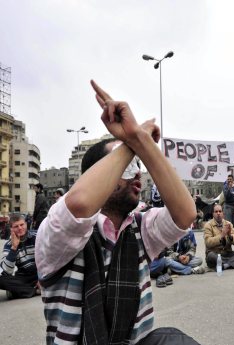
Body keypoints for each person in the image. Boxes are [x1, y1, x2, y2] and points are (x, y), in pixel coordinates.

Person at [35, 81, 199, 345]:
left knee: (172, 340)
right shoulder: (55, 233)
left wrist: (140, 140)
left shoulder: (142, 228)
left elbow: (185, 214)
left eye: (137, 162)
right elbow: (79, 205)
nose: (136, 171)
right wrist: (132, 140)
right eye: (126, 162)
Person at [0, 214, 39, 299]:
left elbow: (50, 258)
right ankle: (35, 291)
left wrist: (42, 278)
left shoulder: (37, 236)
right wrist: (14, 248)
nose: (20, 228)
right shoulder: (8, 245)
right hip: (24, 277)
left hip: (41, 273)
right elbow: (6, 271)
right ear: (11, 229)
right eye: (16, 226)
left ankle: (19, 291)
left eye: (22, 225)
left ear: (26, 224)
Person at [203, 203, 234, 270]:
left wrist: (230, 236)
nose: (218, 213)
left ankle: (226, 265)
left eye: (220, 211)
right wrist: (221, 236)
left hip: (227, 253)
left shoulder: (228, 224)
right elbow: (208, 242)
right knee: (210, 256)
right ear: (213, 214)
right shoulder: (208, 225)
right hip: (215, 254)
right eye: (216, 212)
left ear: (223, 213)